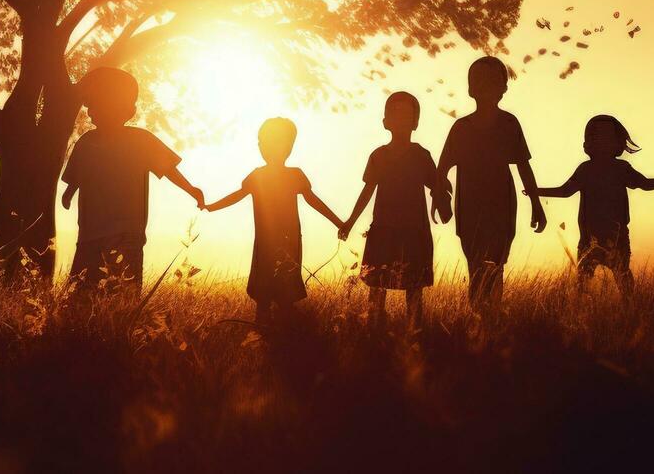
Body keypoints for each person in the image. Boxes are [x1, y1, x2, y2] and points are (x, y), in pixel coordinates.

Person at [60, 66, 204, 295]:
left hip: (126, 231)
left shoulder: (140, 141)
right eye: (90, 105)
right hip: (90, 232)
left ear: (124, 109)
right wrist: (69, 192)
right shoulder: (87, 142)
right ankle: (80, 326)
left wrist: (191, 189)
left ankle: (119, 323)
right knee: (84, 287)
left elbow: (168, 169)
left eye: (96, 104)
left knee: (123, 288)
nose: (90, 111)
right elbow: (76, 176)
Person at [527, 114, 654, 293]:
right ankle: (621, 311)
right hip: (597, 238)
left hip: (610, 237)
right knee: (607, 280)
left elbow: (565, 191)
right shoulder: (599, 169)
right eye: (598, 138)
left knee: (602, 280)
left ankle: (616, 312)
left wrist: (535, 191)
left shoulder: (604, 169)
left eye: (605, 138)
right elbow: (645, 185)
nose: (602, 143)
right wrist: (536, 191)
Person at [202, 117, 346, 323]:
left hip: (289, 241)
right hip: (266, 242)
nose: (267, 147)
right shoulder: (257, 176)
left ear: (289, 147)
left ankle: (283, 329)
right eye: (263, 142)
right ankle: (266, 327)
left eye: (276, 142)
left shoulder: (295, 176)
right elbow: (237, 195)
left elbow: (314, 201)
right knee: (263, 290)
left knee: (285, 289)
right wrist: (212, 206)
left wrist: (338, 222)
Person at [437, 56, 546, 309]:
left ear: (503, 88)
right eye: (479, 80)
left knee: (496, 266)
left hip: (501, 205)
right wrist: (440, 199)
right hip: (469, 206)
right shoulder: (460, 128)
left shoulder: (509, 124)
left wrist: (536, 204)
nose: (485, 86)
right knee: (475, 264)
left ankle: (493, 318)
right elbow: (442, 169)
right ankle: (476, 317)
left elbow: (523, 165)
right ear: (470, 88)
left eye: (492, 81)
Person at [339, 91, 450, 329]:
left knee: (415, 291)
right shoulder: (378, 156)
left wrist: (444, 194)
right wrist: (350, 221)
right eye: (395, 113)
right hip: (383, 229)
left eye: (407, 114)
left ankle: (414, 334)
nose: (400, 119)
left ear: (415, 122)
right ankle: (374, 333)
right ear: (385, 121)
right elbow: (367, 191)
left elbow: (438, 186)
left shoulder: (421, 156)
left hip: (415, 231)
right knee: (377, 289)